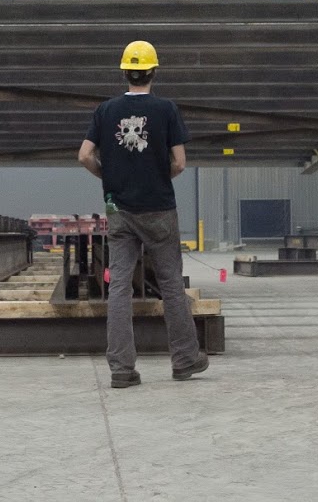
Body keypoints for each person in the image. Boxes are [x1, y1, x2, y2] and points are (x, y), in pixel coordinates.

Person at [78, 40, 206, 388]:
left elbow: (84, 155)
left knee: (119, 286)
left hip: (119, 210)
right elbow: (179, 162)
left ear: (125, 72)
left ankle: (122, 369)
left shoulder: (105, 111)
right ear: (153, 71)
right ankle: (184, 360)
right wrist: (160, 176)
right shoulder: (166, 109)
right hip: (160, 209)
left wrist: (109, 176)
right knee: (170, 285)